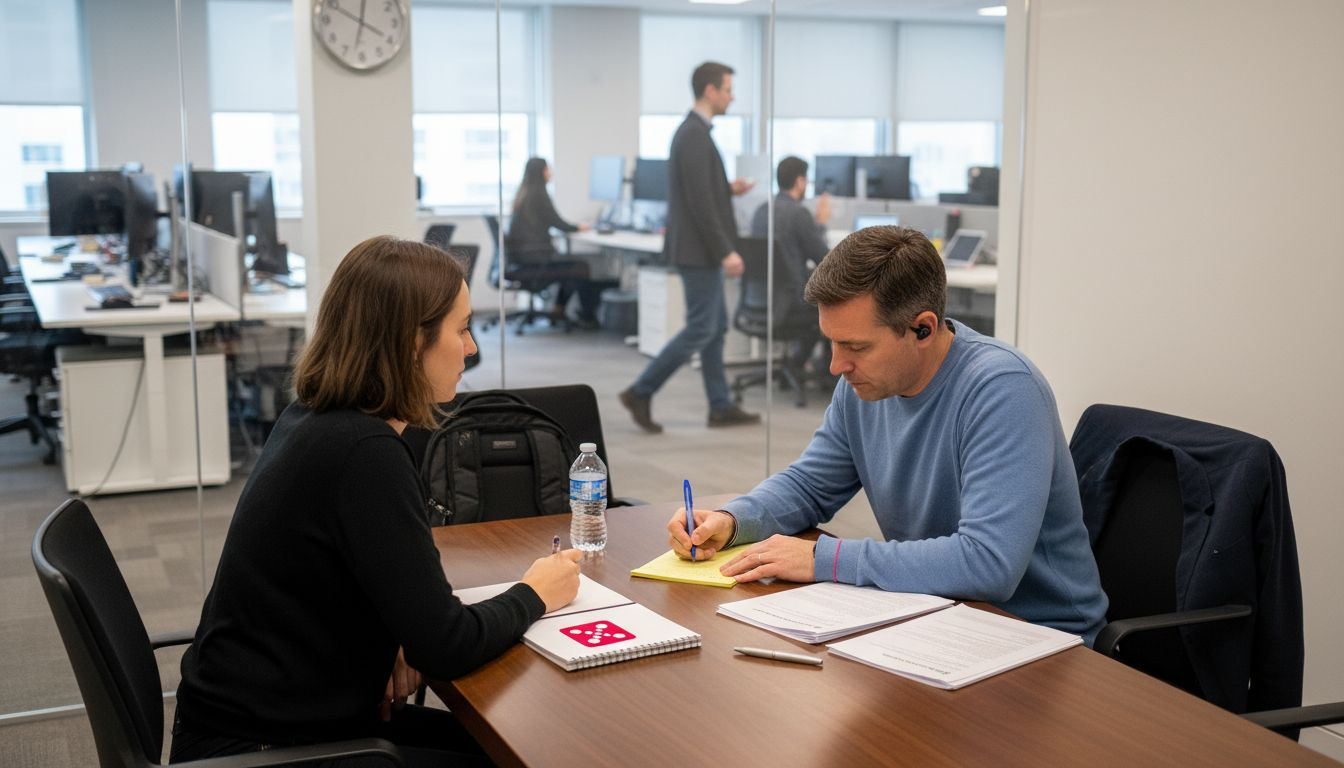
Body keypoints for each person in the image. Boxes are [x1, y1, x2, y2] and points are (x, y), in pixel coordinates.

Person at [171, 236, 582, 765]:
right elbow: (448, 647)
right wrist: (536, 592)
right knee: (521, 754)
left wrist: (396, 636)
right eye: (461, 329)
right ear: (412, 341)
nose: (472, 347)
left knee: (498, 748)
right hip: (267, 748)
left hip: (267, 717)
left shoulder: (315, 419)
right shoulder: (364, 453)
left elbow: (352, 584)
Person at [666, 226, 1108, 644]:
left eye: (856, 347)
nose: (836, 367)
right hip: (939, 615)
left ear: (923, 328)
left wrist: (825, 560)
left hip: (1038, 635)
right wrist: (733, 520)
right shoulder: (863, 385)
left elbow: (989, 563)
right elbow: (809, 485)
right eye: (832, 343)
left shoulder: (1003, 390)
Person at [619, 61, 759, 433]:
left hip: (697, 249)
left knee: (714, 329)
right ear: (710, 91)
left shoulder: (694, 133)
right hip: (699, 251)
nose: (732, 96)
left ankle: (720, 404)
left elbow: (700, 191)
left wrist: (729, 189)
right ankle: (641, 390)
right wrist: (724, 250)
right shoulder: (694, 134)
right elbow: (699, 201)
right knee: (701, 328)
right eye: (728, 89)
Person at [749, 155, 833, 381]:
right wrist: (821, 222)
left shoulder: (761, 210)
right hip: (788, 303)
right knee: (833, 306)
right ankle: (816, 370)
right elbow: (825, 259)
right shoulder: (798, 213)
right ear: (799, 182)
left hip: (757, 301)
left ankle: (798, 365)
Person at [506, 157, 604, 327]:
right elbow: (557, 222)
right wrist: (579, 228)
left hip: (526, 256)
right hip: (536, 257)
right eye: (547, 170)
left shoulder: (524, 193)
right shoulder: (539, 194)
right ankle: (583, 316)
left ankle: (559, 309)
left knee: (573, 264)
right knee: (581, 267)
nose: (550, 173)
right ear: (541, 172)